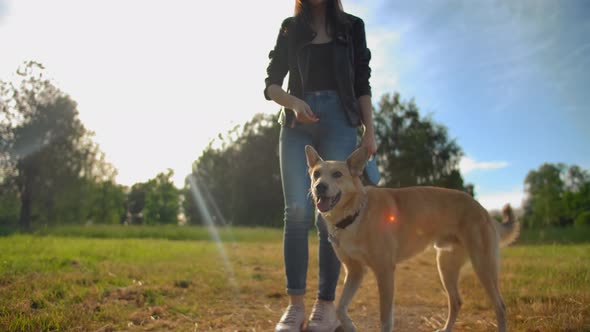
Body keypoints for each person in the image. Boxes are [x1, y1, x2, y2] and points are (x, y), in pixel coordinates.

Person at [264, 0, 378, 331]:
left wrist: (369, 129)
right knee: (297, 210)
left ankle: (326, 307)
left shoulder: (352, 26)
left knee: (332, 213)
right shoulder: (291, 27)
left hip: (341, 121)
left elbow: (362, 82)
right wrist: (294, 102)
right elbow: (271, 83)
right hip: (297, 124)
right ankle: (295, 307)